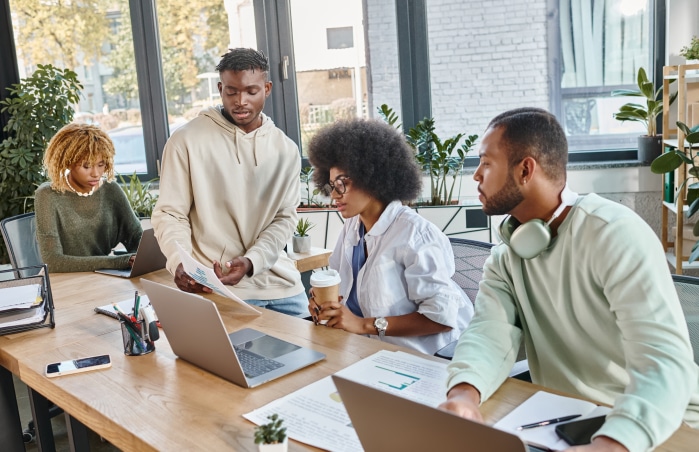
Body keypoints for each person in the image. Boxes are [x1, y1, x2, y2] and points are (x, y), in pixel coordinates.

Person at [438, 107, 699, 451]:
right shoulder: (508, 254)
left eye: (486, 162)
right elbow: (489, 333)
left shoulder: (613, 234)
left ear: (525, 169)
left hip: (660, 426)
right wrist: (463, 397)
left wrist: (611, 444)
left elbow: (663, 365)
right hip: (568, 422)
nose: (476, 175)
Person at [151, 48, 306, 316]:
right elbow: (170, 214)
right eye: (231, 92)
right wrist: (179, 262)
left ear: (267, 88)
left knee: (324, 354)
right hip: (219, 287)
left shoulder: (286, 149)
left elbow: (284, 219)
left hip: (284, 287)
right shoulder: (186, 141)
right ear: (220, 88)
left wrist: (251, 261)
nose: (240, 101)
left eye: (251, 91)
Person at [306, 118, 473, 355]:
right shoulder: (353, 227)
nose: (334, 194)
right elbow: (338, 284)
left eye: (342, 183)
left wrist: (363, 324)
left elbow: (441, 317)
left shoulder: (416, 234)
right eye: (331, 184)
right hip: (370, 353)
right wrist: (320, 302)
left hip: (428, 358)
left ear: (373, 177)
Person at [35, 123, 143, 272]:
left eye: (101, 164)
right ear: (68, 162)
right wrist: (118, 262)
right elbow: (53, 261)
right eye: (86, 166)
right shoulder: (47, 195)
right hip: (63, 280)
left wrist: (140, 259)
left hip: (103, 275)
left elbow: (136, 235)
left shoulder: (111, 189)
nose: (96, 173)